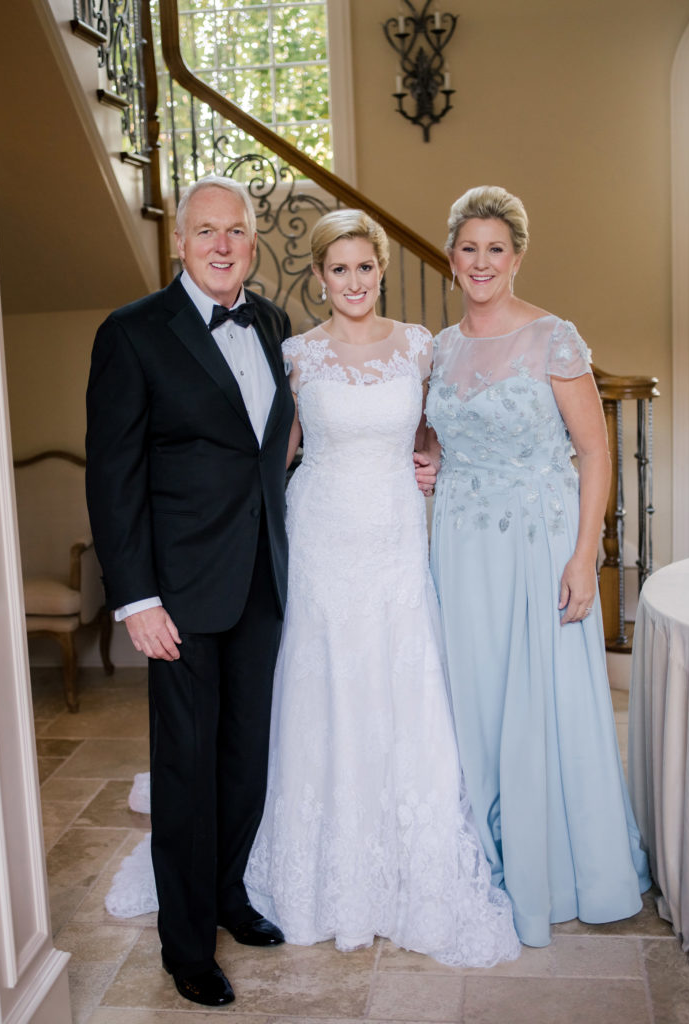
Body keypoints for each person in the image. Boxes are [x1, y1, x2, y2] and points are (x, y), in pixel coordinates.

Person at [242, 209, 520, 966]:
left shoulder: (421, 348)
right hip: (324, 538)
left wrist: (433, 464)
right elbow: (278, 456)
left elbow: (435, 437)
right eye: (340, 270)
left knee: (400, 684)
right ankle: (314, 870)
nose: (354, 282)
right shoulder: (297, 354)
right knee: (322, 687)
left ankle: (409, 868)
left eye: (365, 268)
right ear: (320, 277)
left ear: (382, 271)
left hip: (397, 536)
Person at [85, 176, 295, 1007]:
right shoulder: (132, 333)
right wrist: (136, 600)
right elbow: (114, 478)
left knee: (246, 759)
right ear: (178, 243)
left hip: (262, 581)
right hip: (176, 595)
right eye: (203, 231)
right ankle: (186, 945)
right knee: (186, 768)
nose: (220, 244)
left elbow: (267, 453)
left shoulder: (273, 322)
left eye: (234, 231)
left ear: (252, 242)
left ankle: (230, 897)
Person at [423, 185, 651, 948]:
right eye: (468, 248)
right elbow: (439, 439)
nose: (481, 262)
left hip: (535, 545)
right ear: (451, 258)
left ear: (516, 258)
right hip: (459, 546)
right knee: (474, 697)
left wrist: (585, 557)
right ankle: (484, 854)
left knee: (539, 697)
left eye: (496, 249)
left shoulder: (553, 338)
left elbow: (594, 451)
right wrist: (426, 460)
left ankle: (552, 864)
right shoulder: (442, 347)